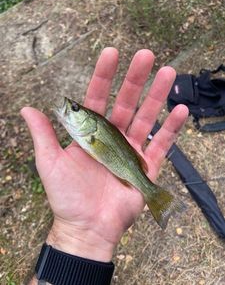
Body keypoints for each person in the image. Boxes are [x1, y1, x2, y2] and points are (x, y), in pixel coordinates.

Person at [21, 48, 188, 285]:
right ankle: (157, 197)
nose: (71, 108)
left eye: (76, 109)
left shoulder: (92, 135)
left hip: (125, 170)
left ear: (90, 122)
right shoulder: (88, 135)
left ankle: (156, 196)